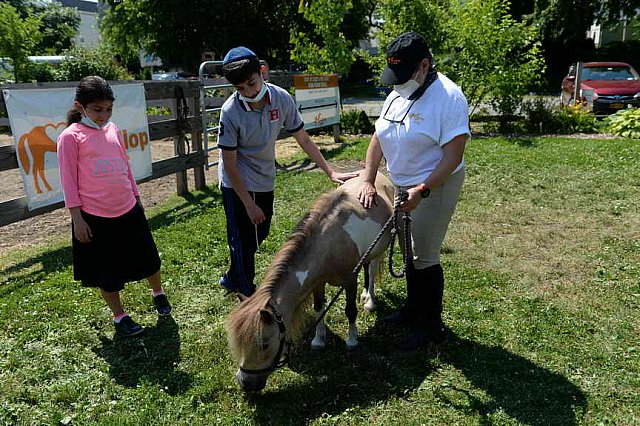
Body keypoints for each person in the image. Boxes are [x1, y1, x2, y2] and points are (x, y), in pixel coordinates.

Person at [357, 32, 470, 351]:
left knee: (424, 255)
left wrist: (422, 189)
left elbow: (453, 155)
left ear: (425, 65)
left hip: (435, 185)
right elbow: (378, 137)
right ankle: (412, 308)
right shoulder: (398, 93)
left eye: (405, 75)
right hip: (404, 184)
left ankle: (430, 326)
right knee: (407, 250)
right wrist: (368, 178)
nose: (398, 83)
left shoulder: (448, 97)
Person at [217, 46, 357, 297]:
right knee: (241, 240)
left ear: (262, 72)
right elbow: (229, 163)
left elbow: (303, 138)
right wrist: (247, 203)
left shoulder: (281, 99)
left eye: (252, 83)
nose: (249, 92)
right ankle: (247, 292)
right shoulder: (230, 112)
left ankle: (231, 276)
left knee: (261, 233)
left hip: (264, 177)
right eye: (241, 89)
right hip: (235, 180)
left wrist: (330, 171)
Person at [57, 76, 172, 338]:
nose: (104, 115)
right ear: (80, 106)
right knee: (107, 271)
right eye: (98, 109)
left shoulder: (112, 129)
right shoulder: (70, 137)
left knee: (148, 258)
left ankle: (158, 293)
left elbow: (125, 166)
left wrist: (136, 196)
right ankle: (120, 317)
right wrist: (77, 218)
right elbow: (68, 180)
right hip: (96, 216)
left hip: (128, 207)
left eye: (109, 109)